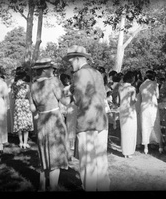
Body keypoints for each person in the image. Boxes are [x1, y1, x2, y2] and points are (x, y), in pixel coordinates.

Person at [63, 45, 110, 191]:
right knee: (101, 159)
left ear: (77, 59)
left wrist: (69, 94)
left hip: (87, 121)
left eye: (71, 62)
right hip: (101, 119)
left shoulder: (79, 74)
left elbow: (80, 100)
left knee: (88, 161)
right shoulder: (96, 72)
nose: (70, 65)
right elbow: (101, 95)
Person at [30, 58, 70, 191]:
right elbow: (64, 101)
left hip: (41, 120)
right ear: (46, 70)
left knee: (44, 153)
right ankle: (53, 187)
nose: (54, 70)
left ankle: (41, 186)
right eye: (52, 68)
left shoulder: (34, 85)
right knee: (55, 155)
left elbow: (32, 108)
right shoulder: (54, 82)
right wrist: (72, 93)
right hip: (54, 119)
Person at [138, 70, 162, 154]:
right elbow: (157, 96)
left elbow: (140, 97)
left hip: (144, 107)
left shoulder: (141, 85)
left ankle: (146, 147)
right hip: (153, 106)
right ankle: (160, 146)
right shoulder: (155, 84)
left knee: (145, 125)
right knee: (155, 124)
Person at [12, 69, 34, 149]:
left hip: (17, 103)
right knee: (26, 123)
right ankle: (25, 143)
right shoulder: (26, 85)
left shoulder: (14, 85)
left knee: (19, 123)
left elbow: (13, 96)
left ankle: (20, 142)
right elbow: (29, 95)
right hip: (25, 103)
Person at [118, 71, 137, 158]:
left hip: (122, 109)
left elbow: (118, 101)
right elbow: (132, 102)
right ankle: (129, 151)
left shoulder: (120, 87)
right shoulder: (132, 88)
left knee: (124, 130)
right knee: (131, 130)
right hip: (130, 111)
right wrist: (136, 99)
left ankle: (124, 151)